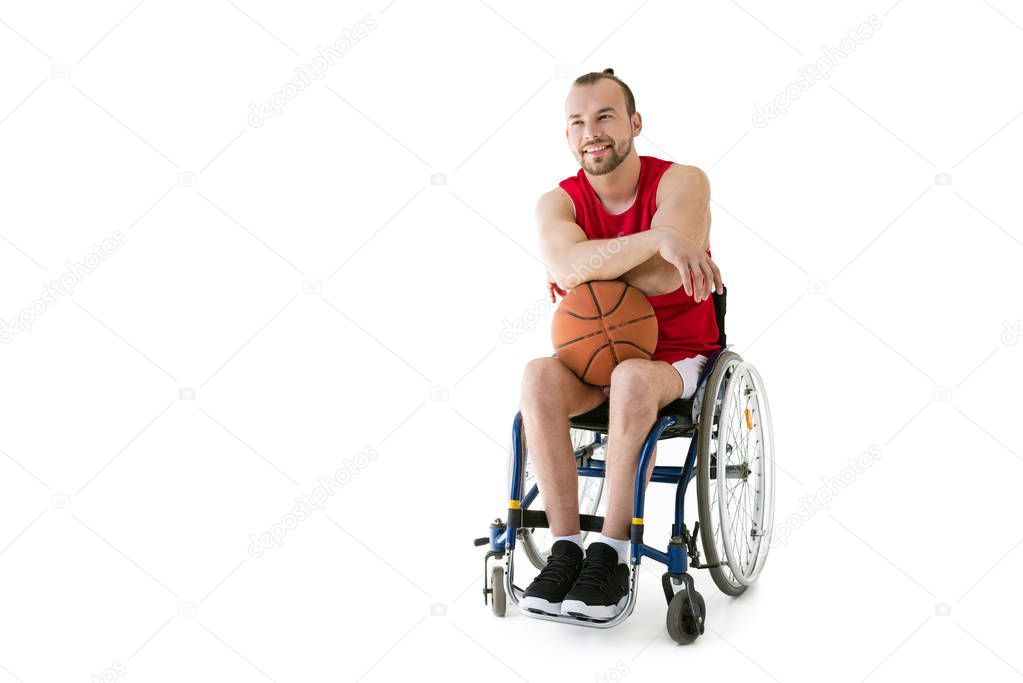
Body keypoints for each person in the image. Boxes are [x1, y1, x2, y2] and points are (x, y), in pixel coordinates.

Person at [519, 68, 724, 620]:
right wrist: (658, 239)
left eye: (605, 116)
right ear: (568, 137)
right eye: (578, 122)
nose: (592, 131)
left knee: (633, 377)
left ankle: (611, 553)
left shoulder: (684, 182)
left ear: (634, 123)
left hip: (678, 355)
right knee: (538, 375)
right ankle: (566, 551)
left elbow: (665, 279)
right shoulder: (556, 203)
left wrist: (591, 271)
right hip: (595, 358)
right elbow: (569, 262)